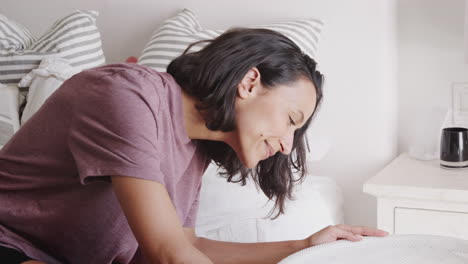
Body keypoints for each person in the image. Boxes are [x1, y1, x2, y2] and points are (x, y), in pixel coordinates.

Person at [0, 28, 388, 264]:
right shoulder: (126, 94)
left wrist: (305, 246)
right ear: (249, 83)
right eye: (291, 120)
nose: (287, 146)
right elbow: (169, 255)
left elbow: (186, 244)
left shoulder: (195, 148)